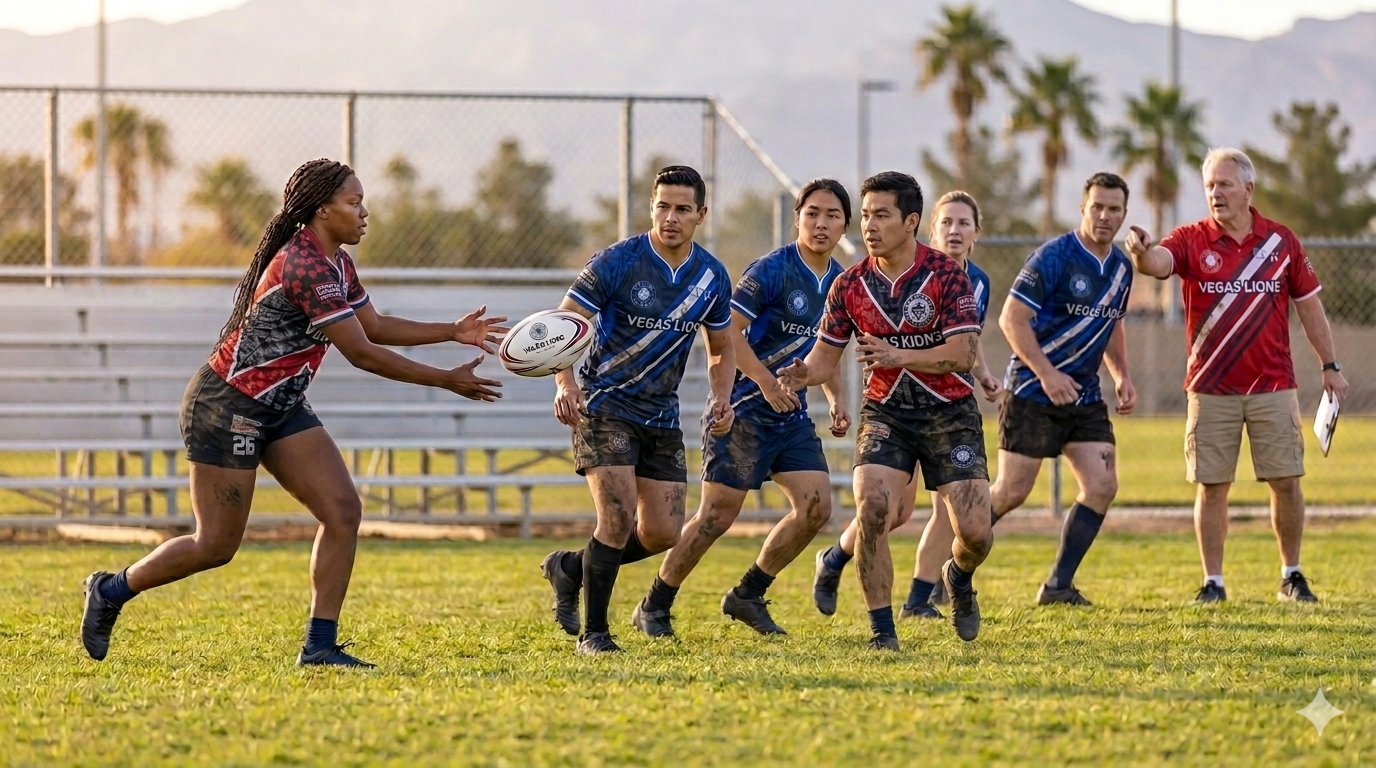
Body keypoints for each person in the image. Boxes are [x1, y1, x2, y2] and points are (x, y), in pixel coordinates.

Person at [80, 159, 507, 667]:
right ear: (322, 209)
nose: (364, 212)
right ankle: (111, 589)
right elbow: (363, 353)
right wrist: (446, 379)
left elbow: (373, 326)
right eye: (354, 202)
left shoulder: (337, 262)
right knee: (215, 545)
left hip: (280, 406)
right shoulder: (304, 264)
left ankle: (319, 645)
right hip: (229, 404)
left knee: (342, 511)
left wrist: (452, 332)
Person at [627, 179, 852, 640]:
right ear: (797, 219)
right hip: (743, 409)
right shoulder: (771, 270)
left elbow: (827, 350)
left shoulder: (841, 282)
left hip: (789, 416)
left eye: (832, 215)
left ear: (844, 225)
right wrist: (766, 382)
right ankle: (655, 604)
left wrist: (837, 399)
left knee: (816, 507)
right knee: (715, 517)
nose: (821, 223)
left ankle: (748, 593)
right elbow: (728, 333)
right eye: (812, 213)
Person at [779, 171, 992, 650]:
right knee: (873, 508)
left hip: (949, 412)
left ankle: (958, 576)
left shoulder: (946, 275)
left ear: (911, 221)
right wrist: (802, 373)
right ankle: (882, 631)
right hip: (887, 413)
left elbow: (963, 354)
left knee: (976, 534)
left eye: (881, 215)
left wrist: (899, 355)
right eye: (866, 215)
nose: (869, 226)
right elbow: (824, 358)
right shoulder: (848, 285)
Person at [1124, 148, 1346, 604]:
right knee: (1212, 486)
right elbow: (1159, 263)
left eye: (1224, 184)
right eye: (1209, 185)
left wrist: (1330, 365)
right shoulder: (1191, 238)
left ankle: (1291, 575)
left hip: (1273, 386)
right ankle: (1214, 582)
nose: (1215, 193)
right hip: (1210, 388)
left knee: (1286, 481)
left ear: (1248, 189)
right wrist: (1142, 253)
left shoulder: (1281, 242)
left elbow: (1310, 308)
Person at [538, 166, 737, 655]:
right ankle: (594, 634)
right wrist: (564, 383)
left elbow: (721, 347)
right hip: (603, 405)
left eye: (682, 209)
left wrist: (722, 395)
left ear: (701, 215)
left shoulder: (712, 276)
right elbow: (565, 322)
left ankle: (569, 568)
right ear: (651, 207)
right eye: (662, 206)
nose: (670, 217)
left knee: (663, 532)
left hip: (661, 415)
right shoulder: (617, 261)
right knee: (617, 517)